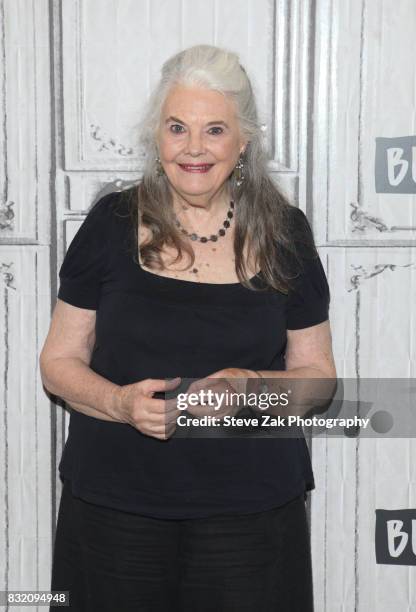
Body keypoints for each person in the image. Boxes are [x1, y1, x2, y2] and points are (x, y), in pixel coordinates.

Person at [40, 44, 336, 611]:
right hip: (114, 511)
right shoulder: (111, 225)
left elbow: (319, 377)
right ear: (158, 136)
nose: (194, 148)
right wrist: (120, 402)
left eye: (215, 130)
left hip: (251, 517)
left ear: (244, 140)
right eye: (177, 128)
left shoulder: (285, 234)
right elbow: (58, 362)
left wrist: (255, 387)